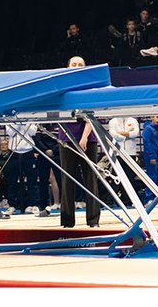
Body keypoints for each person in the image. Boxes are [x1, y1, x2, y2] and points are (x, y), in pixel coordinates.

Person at [59, 55, 101, 228]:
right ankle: (67, 221)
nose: (76, 66)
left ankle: (93, 220)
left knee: (90, 179)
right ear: (67, 67)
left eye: (80, 65)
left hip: (87, 139)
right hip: (66, 139)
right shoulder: (61, 87)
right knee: (67, 180)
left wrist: (84, 137)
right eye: (73, 64)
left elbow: (91, 115)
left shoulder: (89, 87)